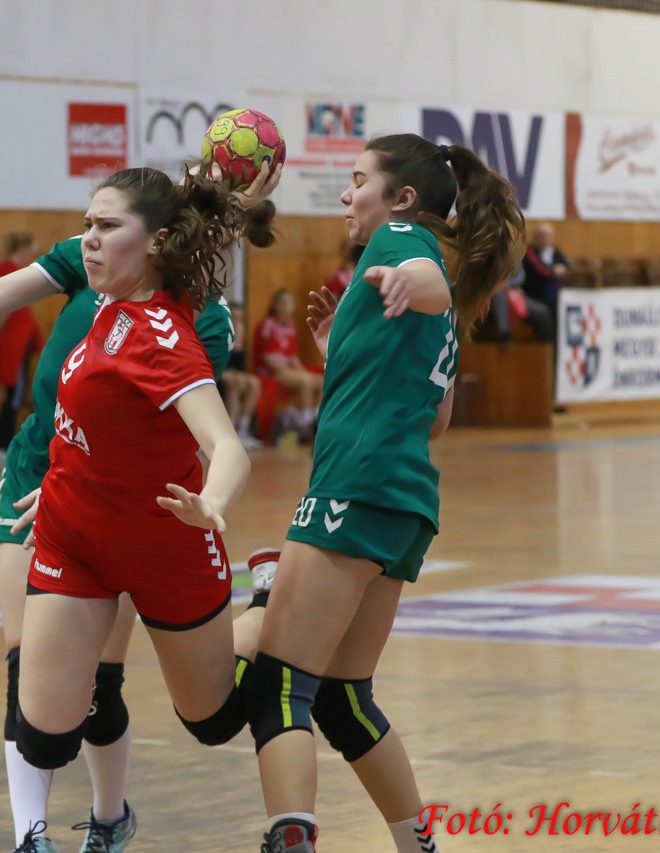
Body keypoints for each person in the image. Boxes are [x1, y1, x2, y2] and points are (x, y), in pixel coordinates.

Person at [0, 164, 280, 853]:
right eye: (87, 223)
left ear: (156, 241)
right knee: (43, 734)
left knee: (212, 720)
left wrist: (210, 503)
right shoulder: (105, 298)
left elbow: (228, 447)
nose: (88, 238)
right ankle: (40, 834)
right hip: (74, 531)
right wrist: (63, 477)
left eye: (106, 226)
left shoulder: (166, 335)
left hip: (165, 539)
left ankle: (264, 604)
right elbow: (79, 406)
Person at [243, 134, 524, 853]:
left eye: (358, 179)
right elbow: (436, 418)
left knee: (279, 685)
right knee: (344, 698)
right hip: (405, 504)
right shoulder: (439, 302)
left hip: (355, 488)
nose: (346, 193)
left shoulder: (402, 243)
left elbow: (424, 277)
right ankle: (416, 843)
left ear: (402, 198)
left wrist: (407, 282)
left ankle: (290, 837)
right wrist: (341, 346)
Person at [0, 232, 44, 469]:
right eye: (31, 251)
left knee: (16, 396)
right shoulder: (9, 269)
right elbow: (3, 306)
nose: (32, 256)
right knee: (14, 397)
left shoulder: (17, 270)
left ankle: (0, 446)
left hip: (21, 341)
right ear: (22, 248)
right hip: (13, 342)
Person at [254, 289, 323, 439]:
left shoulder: (291, 326)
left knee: (321, 381)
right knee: (305, 383)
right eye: (283, 302)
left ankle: (317, 421)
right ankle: (306, 428)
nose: (287, 305)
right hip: (270, 373)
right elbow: (270, 362)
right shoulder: (267, 325)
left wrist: (303, 372)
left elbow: (293, 358)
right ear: (274, 305)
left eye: (290, 302)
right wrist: (300, 375)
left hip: (286, 371)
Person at [219, 303, 262, 448]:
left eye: (240, 320)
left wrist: (237, 343)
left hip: (233, 376)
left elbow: (239, 369)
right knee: (236, 382)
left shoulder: (240, 340)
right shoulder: (219, 335)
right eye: (234, 319)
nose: (238, 323)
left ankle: (243, 431)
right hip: (215, 376)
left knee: (254, 383)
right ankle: (229, 433)